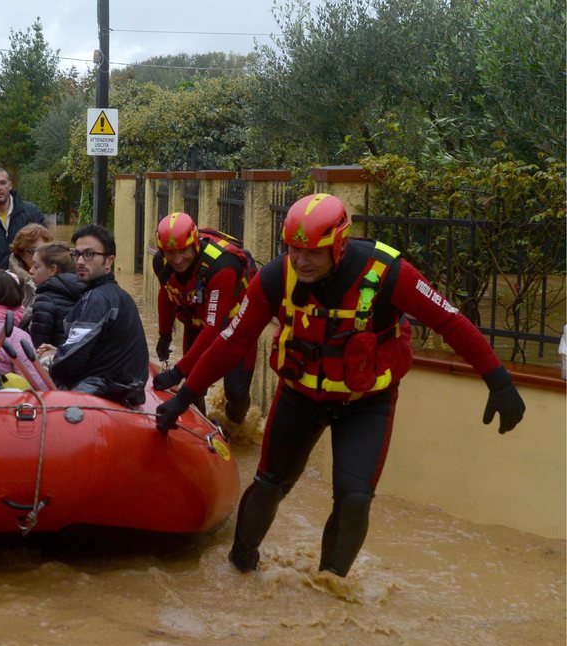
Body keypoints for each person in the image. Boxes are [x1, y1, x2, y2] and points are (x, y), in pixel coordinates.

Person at [155, 193, 526, 578]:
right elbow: (232, 340)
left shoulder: (387, 272)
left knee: (354, 498)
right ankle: (240, 567)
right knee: (268, 483)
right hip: (300, 395)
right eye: (293, 249)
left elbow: (450, 321)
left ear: (340, 244)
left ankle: (330, 589)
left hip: (367, 403)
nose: (301, 260)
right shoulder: (276, 276)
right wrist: (181, 399)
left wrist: (498, 381)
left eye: (313, 251)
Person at [150, 212, 258, 424]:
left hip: (233, 327)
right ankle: (201, 428)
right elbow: (167, 294)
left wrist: (176, 373)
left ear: (195, 244)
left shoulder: (222, 266)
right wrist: (164, 335)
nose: (178, 259)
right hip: (197, 321)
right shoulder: (161, 263)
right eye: (171, 253)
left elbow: (213, 328)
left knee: (236, 392)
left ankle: (237, 424)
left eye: (183, 251)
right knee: (194, 386)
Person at [44, 225, 148, 403]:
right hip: (123, 386)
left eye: (89, 254)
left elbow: (69, 360)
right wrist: (58, 352)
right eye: (76, 254)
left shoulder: (98, 298)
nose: (80, 262)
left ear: (108, 261)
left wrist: (50, 363)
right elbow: (102, 348)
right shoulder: (119, 295)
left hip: (105, 390)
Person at [0, 166, 47, 269]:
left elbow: (46, 248)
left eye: (3, 183)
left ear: (10, 185)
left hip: (30, 279)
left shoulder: (31, 212)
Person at [29, 242, 84, 348]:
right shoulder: (86, 293)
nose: (30, 271)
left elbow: (37, 346)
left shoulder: (45, 299)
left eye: (36, 266)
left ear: (52, 270)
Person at [8, 223, 54, 329]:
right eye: (33, 251)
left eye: (44, 251)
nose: (38, 256)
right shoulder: (7, 281)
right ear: (20, 253)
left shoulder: (56, 279)